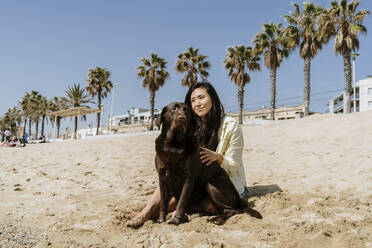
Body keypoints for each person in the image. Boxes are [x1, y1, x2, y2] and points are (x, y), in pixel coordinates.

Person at [127, 81, 248, 227]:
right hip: (197, 182)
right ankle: (145, 213)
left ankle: (152, 213)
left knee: (178, 200)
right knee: (168, 178)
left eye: (201, 97)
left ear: (213, 98)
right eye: (193, 100)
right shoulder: (190, 125)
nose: (197, 103)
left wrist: (218, 157)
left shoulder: (230, 125)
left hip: (225, 185)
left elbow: (234, 166)